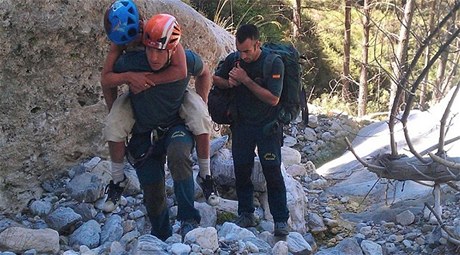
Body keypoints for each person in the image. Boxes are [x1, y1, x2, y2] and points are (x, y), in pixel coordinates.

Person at [101, 0, 218, 210]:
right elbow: (106, 79)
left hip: (174, 104)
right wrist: (127, 80)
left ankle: (205, 174)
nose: (132, 44)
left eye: (135, 37)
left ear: (140, 26)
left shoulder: (161, 34)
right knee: (114, 124)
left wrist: (146, 80)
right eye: (125, 42)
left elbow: (182, 71)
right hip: (143, 114)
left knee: (200, 118)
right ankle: (117, 180)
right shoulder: (122, 47)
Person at [213, 24, 290, 236]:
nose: (243, 55)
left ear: (258, 44)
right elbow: (215, 78)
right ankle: (246, 213)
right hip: (242, 125)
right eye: (240, 50)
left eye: (247, 51)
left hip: (267, 127)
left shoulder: (273, 63)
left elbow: (273, 99)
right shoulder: (234, 60)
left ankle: (280, 220)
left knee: (272, 171)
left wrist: (245, 80)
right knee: (242, 170)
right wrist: (229, 83)